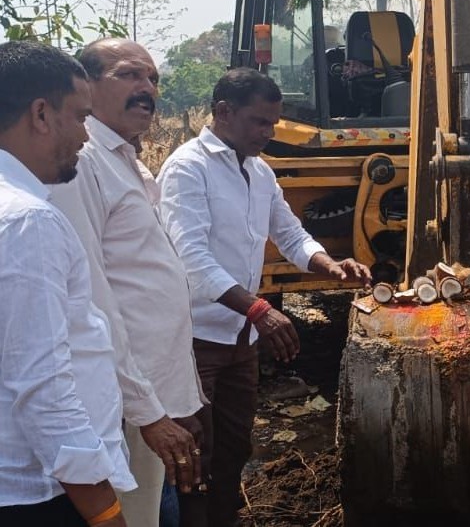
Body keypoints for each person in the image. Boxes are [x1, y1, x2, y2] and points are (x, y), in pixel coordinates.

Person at [157, 67, 372, 527]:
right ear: (222, 112)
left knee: (234, 446)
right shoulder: (187, 168)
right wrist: (258, 309)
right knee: (195, 452)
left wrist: (332, 265)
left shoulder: (258, 170)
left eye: (273, 123)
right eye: (259, 122)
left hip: (239, 339)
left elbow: (291, 235)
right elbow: (191, 258)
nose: (268, 133)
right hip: (195, 339)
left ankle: (223, 518)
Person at [49, 38, 206, 526]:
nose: (147, 89)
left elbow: (140, 277)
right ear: (87, 85)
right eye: (130, 75)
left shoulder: (124, 159)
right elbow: (92, 296)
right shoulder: (82, 160)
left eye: (153, 79)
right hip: (125, 400)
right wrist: (148, 410)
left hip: (150, 389)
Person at [0, 41, 135, 526]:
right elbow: (44, 388)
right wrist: (104, 515)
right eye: (80, 117)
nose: (85, 135)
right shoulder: (27, 222)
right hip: (39, 494)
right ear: (40, 114)